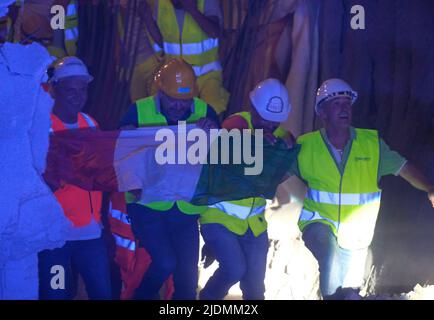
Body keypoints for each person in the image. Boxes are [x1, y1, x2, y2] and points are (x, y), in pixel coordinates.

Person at [293, 78, 434, 299]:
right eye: (337, 103)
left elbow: (404, 168)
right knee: (330, 263)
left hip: (355, 235)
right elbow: (278, 172)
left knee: (347, 289)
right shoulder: (306, 146)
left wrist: (429, 188)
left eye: (347, 103)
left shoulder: (371, 145)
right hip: (318, 222)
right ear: (322, 111)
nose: (345, 108)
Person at [119, 58, 219, 300]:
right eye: (172, 99)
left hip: (185, 208)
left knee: (187, 280)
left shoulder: (205, 112)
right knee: (165, 262)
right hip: (148, 206)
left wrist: (213, 131)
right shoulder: (138, 111)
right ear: (159, 90)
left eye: (183, 101)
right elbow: (120, 156)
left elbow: (219, 158)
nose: (177, 106)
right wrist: (127, 137)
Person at [199, 78, 295, 300]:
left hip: (254, 224)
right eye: (265, 119)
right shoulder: (237, 123)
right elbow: (231, 141)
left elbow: (276, 176)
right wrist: (258, 141)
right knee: (234, 269)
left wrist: (284, 155)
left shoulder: (280, 136)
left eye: (275, 122)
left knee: (254, 288)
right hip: (219, 217)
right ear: (252, 108)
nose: (270, 126)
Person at [39, 56, 112, 300]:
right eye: (71, 90)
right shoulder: (43, 127)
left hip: (90, 233)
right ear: (54, 90)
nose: (78, 95)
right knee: (56, 295)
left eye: (82, 89)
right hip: (56, 237)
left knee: (101, 293)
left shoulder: (90, 123)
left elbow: (101, 170)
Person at [140, 0, 229, 115]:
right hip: (174, 77)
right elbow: (162, 42)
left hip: (206, 76)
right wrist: (147, 17)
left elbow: (215, 32)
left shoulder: (206, 2)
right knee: (157, 107)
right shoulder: (161, 3)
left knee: (212, 109)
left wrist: (193, 10)